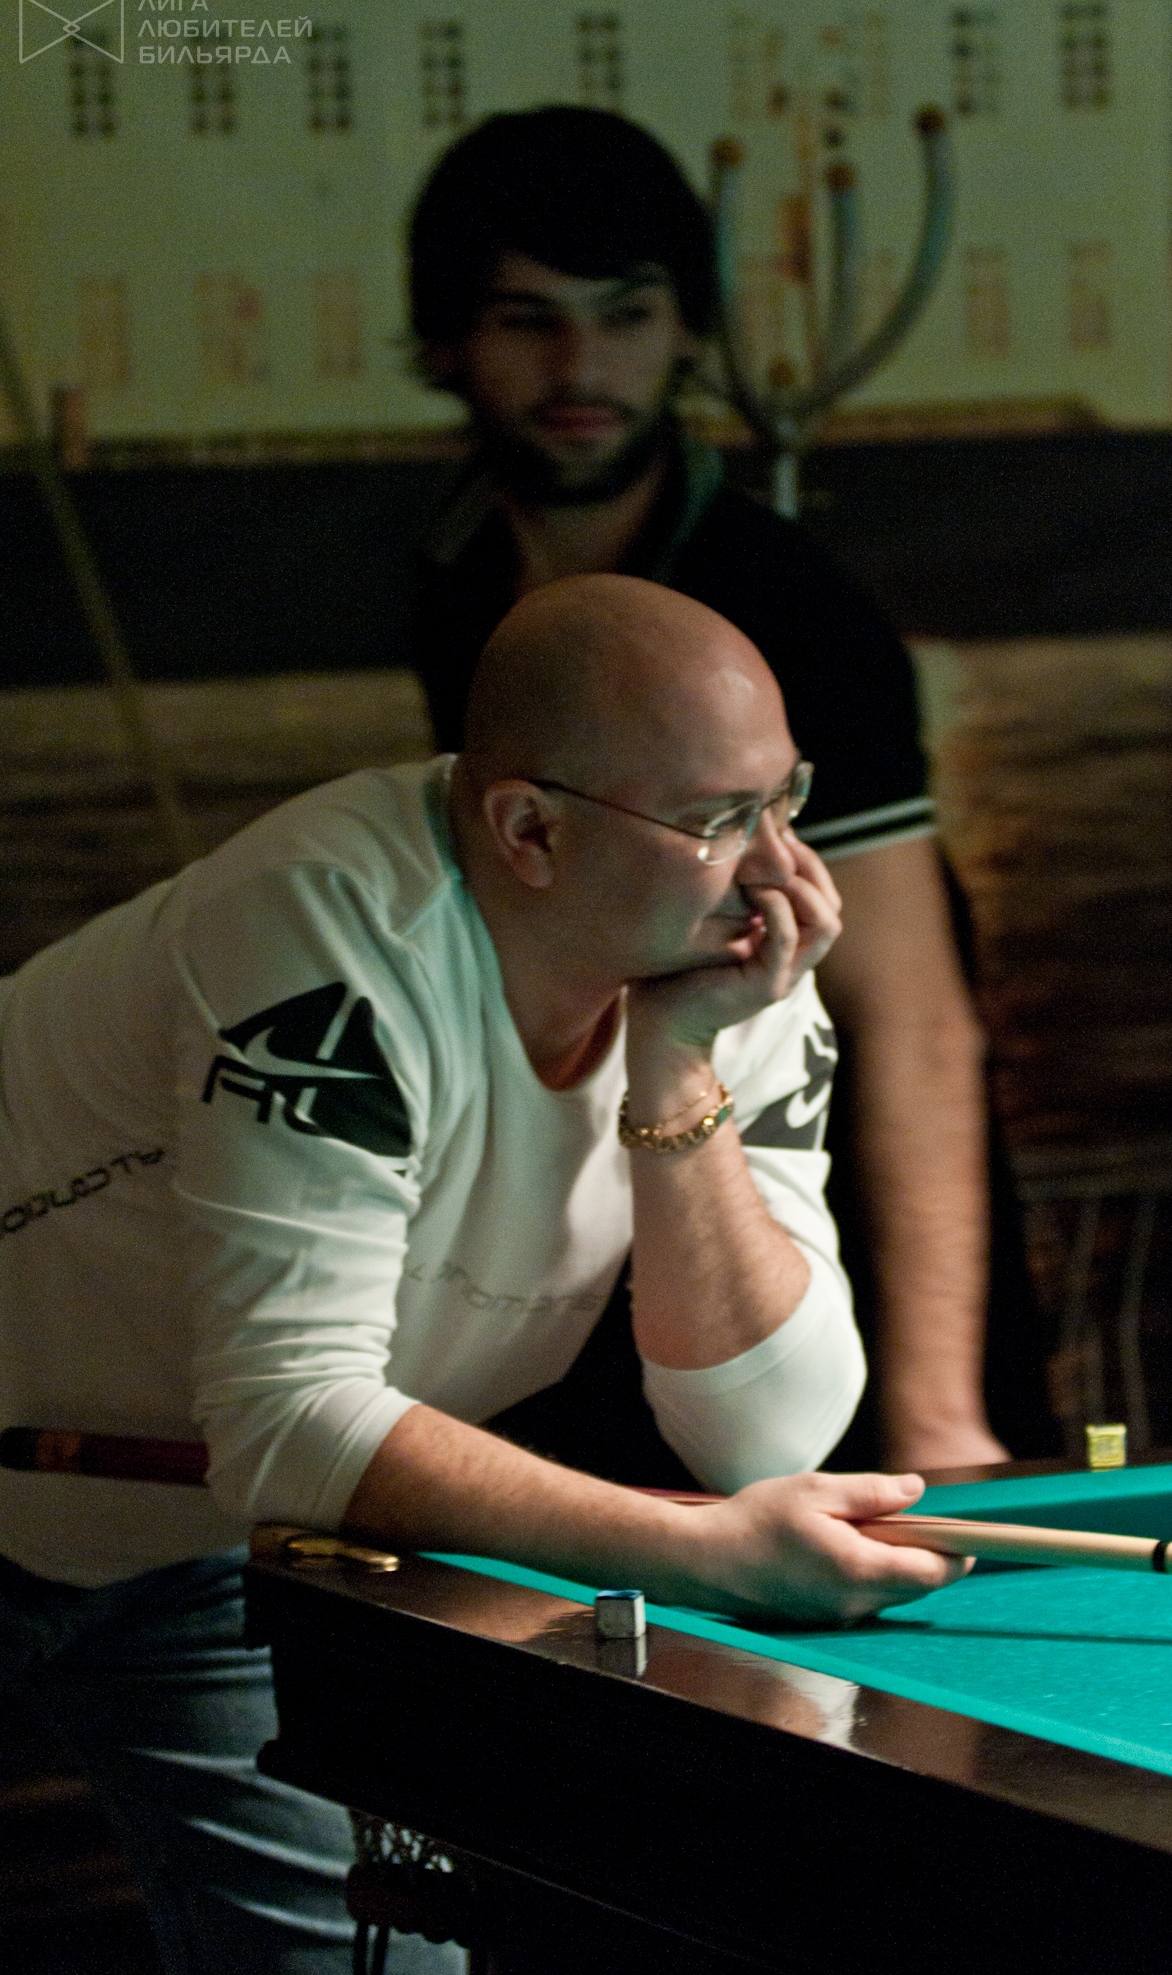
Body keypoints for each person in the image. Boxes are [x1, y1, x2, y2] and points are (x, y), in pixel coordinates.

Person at [0, 576, 965, 1975]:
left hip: (198, 1548)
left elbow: (767, 1437)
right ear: (530, 831)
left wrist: (676, 1069)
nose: (781, 870)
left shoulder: (729, 968)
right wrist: (702, 1550)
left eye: (787, 799)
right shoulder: (329, 927)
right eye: (718, 818)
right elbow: (291, 1419)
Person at [406, 105, 1048, 1477]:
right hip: (590, 1239)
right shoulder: (458, 584)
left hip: (819, 1235)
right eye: (527, 320)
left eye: (626, 315)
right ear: (447, 342)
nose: (581, 367)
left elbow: (914, 1018)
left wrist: (940, 1412)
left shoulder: (787, 609)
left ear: (690, 331)